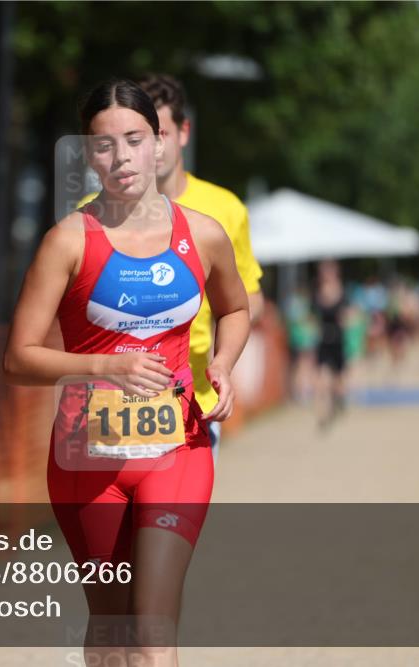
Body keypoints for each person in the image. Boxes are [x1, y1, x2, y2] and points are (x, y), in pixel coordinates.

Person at [4, 78, 250, 666]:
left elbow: (235, 308)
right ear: (89, 154)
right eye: (104, 145)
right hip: (87, 458)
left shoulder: (203, 234)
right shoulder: (67, 242)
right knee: (112, 630)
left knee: (152, 628)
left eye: (134, 140)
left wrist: (221, 361)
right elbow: (18, 358)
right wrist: (106, 365)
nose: (121, 159)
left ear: (159, 142)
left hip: (178, 450)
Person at [79, 74, 263, 463]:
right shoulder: (90, 211)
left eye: (153, 133)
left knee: (168, 516)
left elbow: (246, 301)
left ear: (180, 134)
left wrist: (222, 356)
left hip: (193, 393)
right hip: (108, 396)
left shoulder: (223, 209)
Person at [313, 259, 348, 429]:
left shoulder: (341, 290)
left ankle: (338, 401)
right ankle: (322, 413)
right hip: (324, 339)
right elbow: (314, 314)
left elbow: (346, 314)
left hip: (338, 338)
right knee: (321, 377)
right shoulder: (317, 291)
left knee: (338, 377)